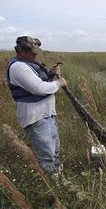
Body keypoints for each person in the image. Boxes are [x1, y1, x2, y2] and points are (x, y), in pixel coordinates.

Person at [7, 36, 67, 174]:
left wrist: (50, 75)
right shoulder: (18, 67)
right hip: (36, 117)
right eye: (32, 51)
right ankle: (51, 185)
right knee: (47, 155)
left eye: (36, 51)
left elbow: (40, 81)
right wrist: (59, 83)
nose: (36, 54)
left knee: (55, 150)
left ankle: (58, 178)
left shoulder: (28, 62)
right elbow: (39, 88)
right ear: (21, 51)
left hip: (47, 114)